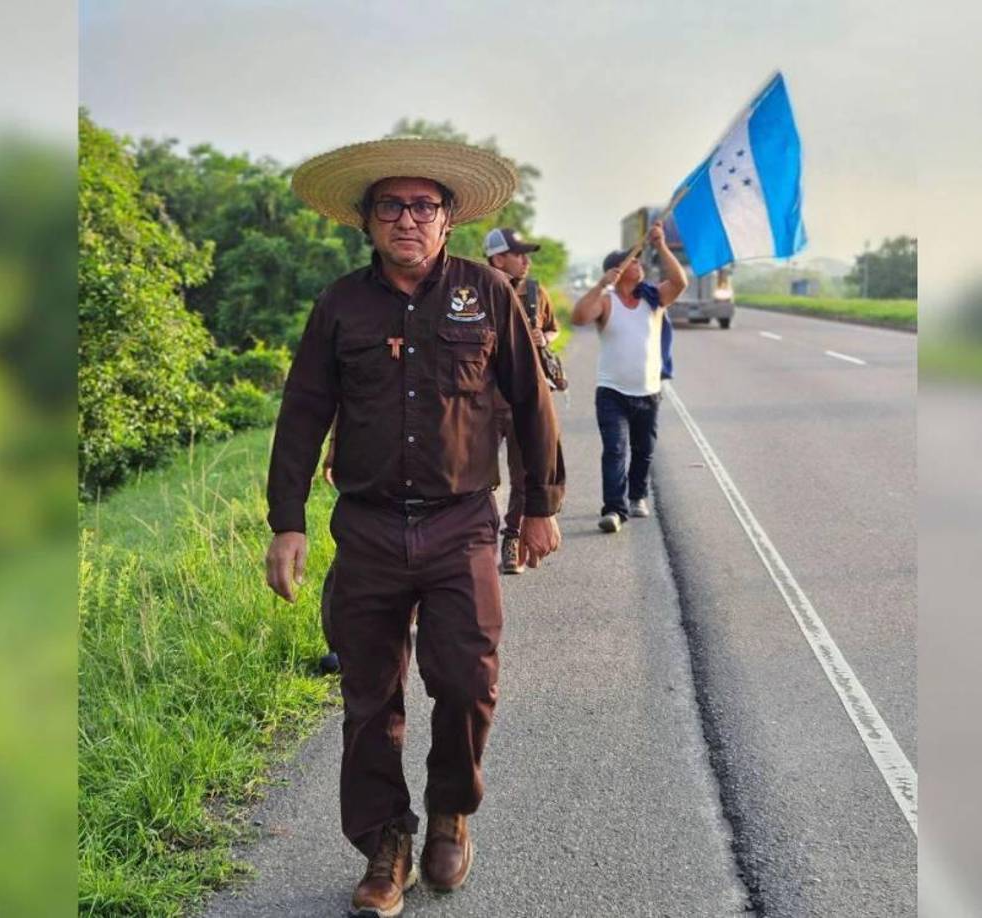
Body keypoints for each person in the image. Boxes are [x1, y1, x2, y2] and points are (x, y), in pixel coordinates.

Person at [264, 136, 564, 917]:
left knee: (467, 681)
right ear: (366, 221)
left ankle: (451, 811)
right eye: (390, 206)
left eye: (423, 206)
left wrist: (540, 506)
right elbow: (303, 413)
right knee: (369, 696)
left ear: (448, 219)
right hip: (365, 529)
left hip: (463, 522)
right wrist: (287, 523)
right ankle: (384, 843)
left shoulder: (486, 294)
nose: (407, 219)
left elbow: (532, 401)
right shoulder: (339, 306)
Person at [570, 220, 687, 533]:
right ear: (617, 271)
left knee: (644, 450)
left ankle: (637, 495)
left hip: (648, 392)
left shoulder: (653, 299)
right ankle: (614, 509)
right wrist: (600, 285)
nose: (638, 264)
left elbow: (680, 282)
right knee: (615, 449)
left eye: (637, 260)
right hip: (612, 392)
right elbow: (579, 317)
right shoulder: (606, 301)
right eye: (631, 260)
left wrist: (661, 245)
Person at [483, 227, 561, 574]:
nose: (526, 261)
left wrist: (541, 338)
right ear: (498, 258)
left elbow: (552, 327)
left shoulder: (534, 292)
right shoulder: (474, 290)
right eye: (519, 255)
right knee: (476, 477)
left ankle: (512, 538)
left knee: (523, 473)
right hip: (480, 403)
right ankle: (475, 543)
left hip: (522, 400)